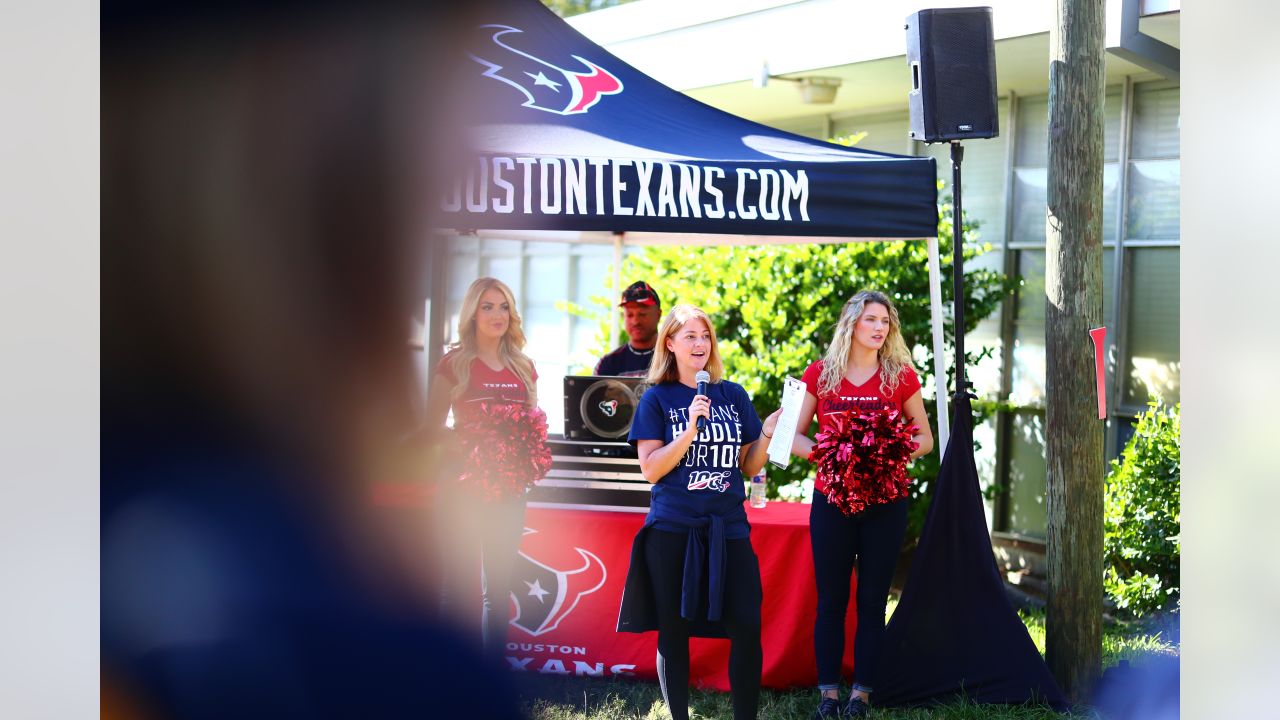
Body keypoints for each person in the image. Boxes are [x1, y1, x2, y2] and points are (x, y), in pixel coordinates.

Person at [617, 304, 782, 720]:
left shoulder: (732, 395)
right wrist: (689, 430)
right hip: (673, 530)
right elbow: (652, 470)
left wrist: (765, 433)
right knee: (674, 631)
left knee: (746, 624)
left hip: (728, 528)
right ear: (669, 344)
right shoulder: (657, 398)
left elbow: (750, 466)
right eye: (689, 336)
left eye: (705, 335)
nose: (700, 344)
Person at [780, 291, 934, 719]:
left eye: (885, 320)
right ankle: (828, 694)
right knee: (830, 600)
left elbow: (924, 437)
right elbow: (792, 435)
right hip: (832, 499)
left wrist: (888, 452)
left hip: (886, 502)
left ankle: (861, 695)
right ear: (851, 324)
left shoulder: (900, 377)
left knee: (871, 600)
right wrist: (833, 454)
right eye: (871, 319)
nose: (880, 327)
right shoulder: (820, 375)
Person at [424, 276, 539, 659]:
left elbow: (532, 424)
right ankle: (449, 676)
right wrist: (474, 444)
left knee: (499, 588)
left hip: (509, 491)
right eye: (487, 306)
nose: (497, 314)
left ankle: (489, 678)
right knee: (455, 587)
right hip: (461, 490)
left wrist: (519, 451)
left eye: (503, 306)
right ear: (472, 313)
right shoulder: (453, 363)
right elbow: (431, 429)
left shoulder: (524, 366)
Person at [595, 280, 663, 377]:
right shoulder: (607, 365)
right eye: (629, 315)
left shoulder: (675, 358)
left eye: (642, 314)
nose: (635, 321)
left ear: (658, 315)